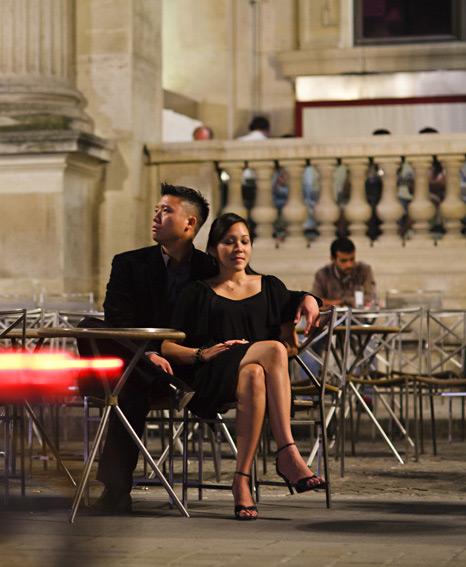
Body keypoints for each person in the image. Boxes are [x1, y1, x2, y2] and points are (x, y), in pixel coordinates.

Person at [87, 184, 320, 514]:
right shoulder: (129, 264)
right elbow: (118, 320)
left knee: (259, 364)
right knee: (129, 387)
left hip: (202, 366)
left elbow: (256, 287)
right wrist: (152, 352)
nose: (156, 216)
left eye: (166, 211)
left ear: (190, 223)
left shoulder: (208, 265)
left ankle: (266, 465)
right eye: (156, 209)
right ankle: (116, 488)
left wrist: (309, 298)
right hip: (146, 361)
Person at [161, 213, 327, 520]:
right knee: (272, 350)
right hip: (211, 375)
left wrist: (310, 299)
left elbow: (292, 333)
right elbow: (168, 347)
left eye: (245, 241)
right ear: (212, 250)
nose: (239, 248)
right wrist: (202, 353)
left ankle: (242, 481)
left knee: (254, 373)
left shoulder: (270, 287)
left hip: (256, 379)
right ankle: (287, 451)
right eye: (229, 242)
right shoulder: (198, 292)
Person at [311, 237, 377, 307]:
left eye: (352, 259)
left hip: (357, 317)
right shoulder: (323, 274)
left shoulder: (363, 270)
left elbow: (372, 298)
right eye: (343, 261)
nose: (349, 265)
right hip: (333, 317)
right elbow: (314, 301)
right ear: (333, 259)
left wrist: (342, 302)